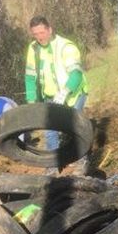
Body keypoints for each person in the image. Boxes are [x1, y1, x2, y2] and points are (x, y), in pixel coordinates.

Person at [25, 15, 89, 174]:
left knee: (74, 127)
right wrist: (31, 100)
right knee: (50, 129)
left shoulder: (66, 47)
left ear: (50, 29)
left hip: (73, 93)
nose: (40, 37)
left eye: (42, 32)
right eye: (36, 34)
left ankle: (82, 160)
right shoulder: (33, 49)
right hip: (50, 95)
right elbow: (30, 75)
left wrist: (65, 92)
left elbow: (76, 74)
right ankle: (52, 164)